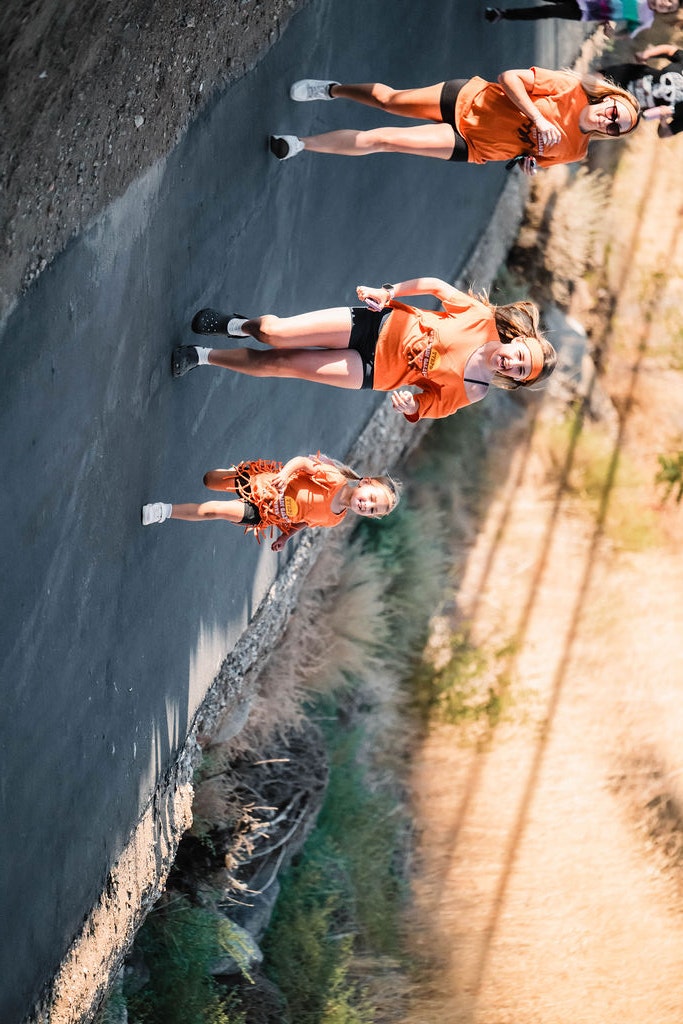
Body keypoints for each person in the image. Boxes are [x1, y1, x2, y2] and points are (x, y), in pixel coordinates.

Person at [171, 277, 557, 423]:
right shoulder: (481, 318)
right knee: (272, 332)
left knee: (280, 364)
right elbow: (438, 288)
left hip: (372, 371)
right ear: (520, 341)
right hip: (378, 323)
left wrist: (410, 406)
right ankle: (238, 325)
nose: (516, 363)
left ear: (516, 380)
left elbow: (427, 405)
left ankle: (202, 357)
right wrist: (390, 293)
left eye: (522, 371)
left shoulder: (474, 389)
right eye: (524, 356)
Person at [268, 68, 640, 175]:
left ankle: (300, 144)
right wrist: (539, 116)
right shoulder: (568, 87)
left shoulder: (575, 152)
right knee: (388, 100)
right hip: (469, 98)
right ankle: (334, 89)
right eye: (613, 114)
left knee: (384, 139)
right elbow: (510, 77)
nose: (608, 122)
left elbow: (533, 156)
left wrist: (529, 164)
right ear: (610, 99)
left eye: (614, 128)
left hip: (473, 146)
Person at [141, 453, 400, 551]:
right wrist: (285, 473)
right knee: (209, 480)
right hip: (263, 484)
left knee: (214, 510)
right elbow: (301, 462)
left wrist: (286, 537)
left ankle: (163, 511)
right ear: (365, 483)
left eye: (373, 510)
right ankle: (231, 473)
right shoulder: (333, 479)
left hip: (263, 513)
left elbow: (305, 522)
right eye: (372, 499)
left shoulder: (335, 519)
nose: (367, 505)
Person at [601, 44, 683, 137]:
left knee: (596, 109)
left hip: (627, 106)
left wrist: (663, 121)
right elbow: (670, 51)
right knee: (593, 81)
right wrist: (647, 54)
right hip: (630, 76)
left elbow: (664, 134)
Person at [485, 0, 679, 34]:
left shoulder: (646, 20)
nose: (665, 4)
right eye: (668, 0)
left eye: (669, 7)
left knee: (546, 12)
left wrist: (610, 31)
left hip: (587, 12)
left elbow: (622, 34)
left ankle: (501, 14)